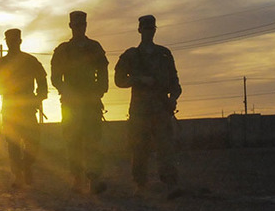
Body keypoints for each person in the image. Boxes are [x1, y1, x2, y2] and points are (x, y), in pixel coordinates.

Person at [114, 15, 182, 197]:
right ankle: (140, 184)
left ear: (155, 30)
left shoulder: (164, 54)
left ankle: (170, 184)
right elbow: (119, 80)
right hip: (140, 110)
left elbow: (175, 82)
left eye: (151, 29)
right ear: (139, 30)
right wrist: (138, 79)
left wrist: (173, 98)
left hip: (161, 109)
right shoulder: (131, 56)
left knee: (165, 147)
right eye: (145, 29)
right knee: (139, 148)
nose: (148, 32)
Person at [51, 11, 109, 194]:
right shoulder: (63, 50)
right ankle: (77, 178)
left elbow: (103, 72)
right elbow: (55, 77)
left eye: (82, 25)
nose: (79, 28)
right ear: (70, 26)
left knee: (93, 140)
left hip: (90, 101)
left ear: (86, 25)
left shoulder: (94, 47)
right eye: (76, 25)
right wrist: (65, 90)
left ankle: (93, 178)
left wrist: (99, 91)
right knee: (73, 141)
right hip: (71, 103)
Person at [0, 28, 48, 187]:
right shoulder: (1, 63)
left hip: (28, 108)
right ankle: (18, 176)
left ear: (20, 41)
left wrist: (38, 98)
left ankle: (25, 166)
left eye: (14, 40)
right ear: (6, 42)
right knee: (13, 144)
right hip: (10, 108)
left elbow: (42, 81)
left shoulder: (30, 61)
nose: (12, 43)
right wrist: (2, 91)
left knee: (33, 143)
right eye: (9, 41)